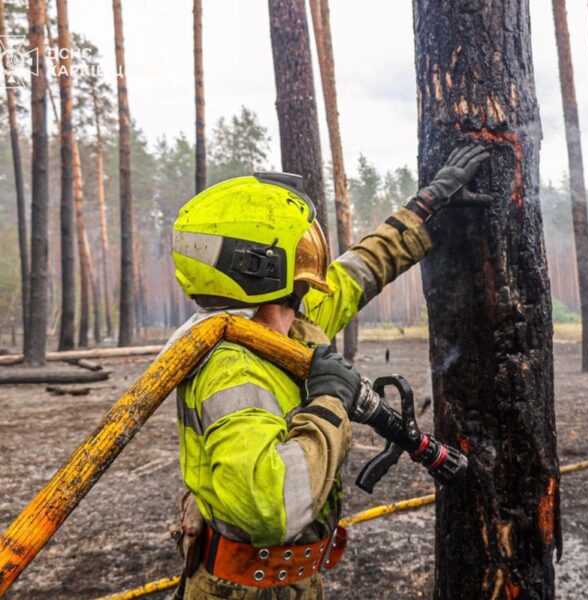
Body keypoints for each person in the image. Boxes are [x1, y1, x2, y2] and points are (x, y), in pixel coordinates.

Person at [169, 144, 490, 599]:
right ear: (262, 265)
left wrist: (424, 210)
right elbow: (270, 505)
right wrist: (329, 402)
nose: (311, 255)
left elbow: (358, 270)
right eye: (299, 245)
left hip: (291, 582)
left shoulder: (288, 321)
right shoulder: (229, 367)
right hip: (242, 590)